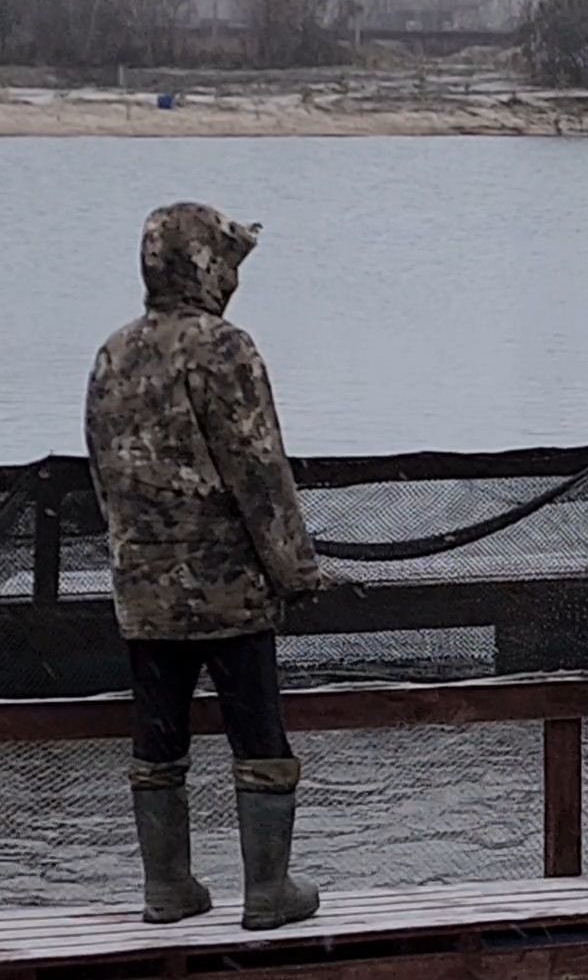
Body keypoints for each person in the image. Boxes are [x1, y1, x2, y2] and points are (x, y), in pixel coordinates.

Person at [84, 202, 326, 930]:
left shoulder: (113, 353)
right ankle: (268, 892)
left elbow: (104, 476)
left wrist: (135, 557)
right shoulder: (225, 349)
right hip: (229, 593)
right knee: (259, 738)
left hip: (144, 593)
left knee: (158, 743)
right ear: (206, 267)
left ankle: (167, 889)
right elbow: (260, 474)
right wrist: (297, 572)